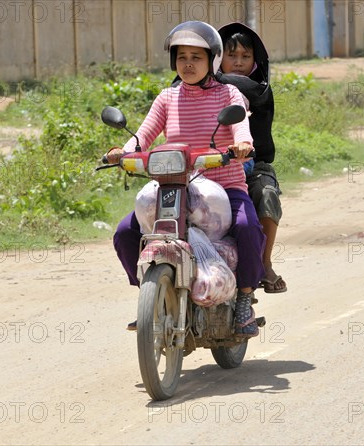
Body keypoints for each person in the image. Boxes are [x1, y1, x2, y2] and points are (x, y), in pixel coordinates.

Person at [106, 21, 265, 338]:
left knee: (248, 228)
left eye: (196, 57)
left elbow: (240, 128)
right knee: (125, 232)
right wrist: (121, 152)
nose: (188, 64)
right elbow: (143, 136)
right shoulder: (167, 98)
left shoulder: (228, 94)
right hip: (175, 188)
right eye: (182, 58)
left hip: (226, 188)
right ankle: (152, 298)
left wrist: (242, 145)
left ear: (212, 61)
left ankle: (245, 299)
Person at [216, 22, 287, 294]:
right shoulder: (196, 87)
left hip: (252, 165)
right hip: (205, 163)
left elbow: (245, 88)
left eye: (246, 57)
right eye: (231, 56)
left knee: (267, 194)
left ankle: (265, 263)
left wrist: (211, 77)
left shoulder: (260, 90)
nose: (238, 63)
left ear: (256, 61)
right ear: (218, 57)